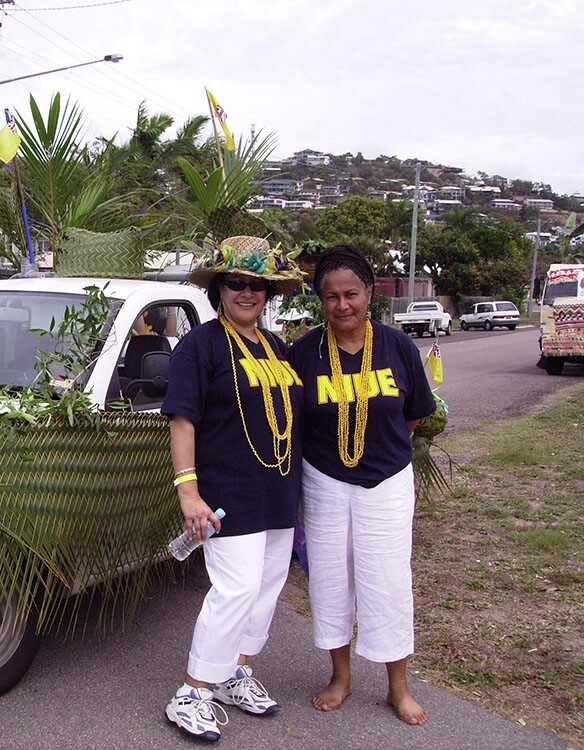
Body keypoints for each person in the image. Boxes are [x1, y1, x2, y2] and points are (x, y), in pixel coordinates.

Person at [161, 236, 305, 742]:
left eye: (257, 285)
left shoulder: (276, 346)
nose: (247, 293)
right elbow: (183, 421)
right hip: (226, 495)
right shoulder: (199, 346)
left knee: (264, 590)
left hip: (278, 492)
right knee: (235, 589)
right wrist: (188, 493)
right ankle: (193, 692)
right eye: (236, 283)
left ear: (268, 293)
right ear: (220, 288)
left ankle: (233, 673)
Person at [287, 244, 437, 726]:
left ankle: (398, 686)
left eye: (351, 293)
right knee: (330, 579)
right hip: (325, 482)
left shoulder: (398, 347)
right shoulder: (304, 353)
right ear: (320, 300)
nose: (342, 305)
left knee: (388, 581)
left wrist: (380, 451)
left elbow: (414, 415)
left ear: (369, 293)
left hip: (388, 482)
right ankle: (341, 677)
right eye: (331, 296)